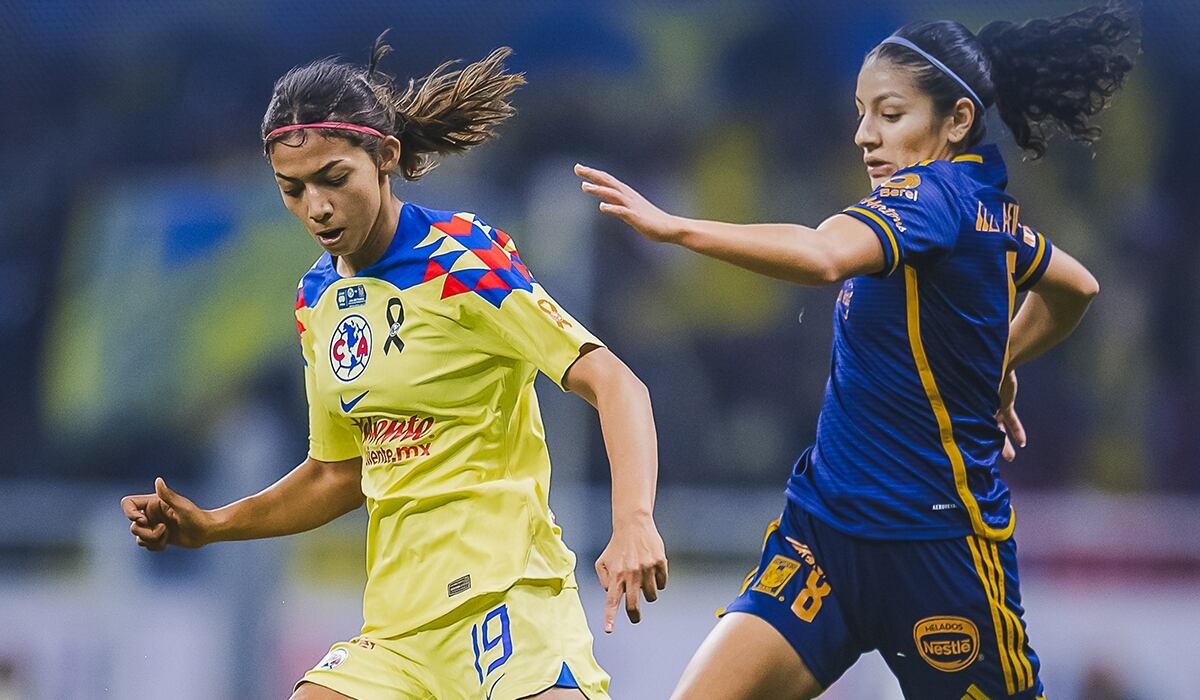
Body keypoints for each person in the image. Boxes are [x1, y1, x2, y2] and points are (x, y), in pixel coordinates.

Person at [577, 5, 1136, 699]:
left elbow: (822, 256)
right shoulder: (980, 205)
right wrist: (1000, 360)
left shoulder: (929, 196)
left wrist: (676, 229)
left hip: (937, 551)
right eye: (862, 112)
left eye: (891, 114)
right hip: (826, 539)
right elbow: (1075, 287)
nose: (865, 135)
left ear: (957, 120)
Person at [121, 34, 668, 700]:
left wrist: (633, 519)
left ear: (385, 157)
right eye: (292, 189)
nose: (316, 207)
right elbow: (337, 471)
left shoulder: (461, 258)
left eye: (333, 179)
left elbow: (615, 382)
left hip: (506, 601)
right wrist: (212, 526)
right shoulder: (317, 299)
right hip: (398, 634)